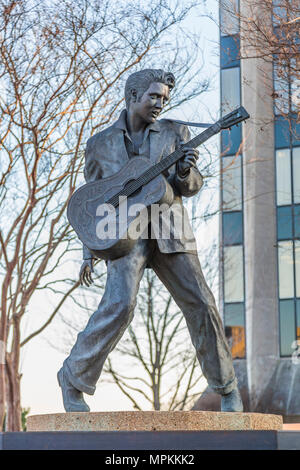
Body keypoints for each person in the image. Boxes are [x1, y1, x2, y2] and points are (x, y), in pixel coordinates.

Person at [58, 69, 243, 413]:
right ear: (132, 96)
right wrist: (89, 251)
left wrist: (186, 172)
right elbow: (92, 199)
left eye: (164, 99)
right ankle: (73, 377)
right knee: (119, 306)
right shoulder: (100, 144)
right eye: (153, 97)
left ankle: (227, 387)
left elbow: (190, 186)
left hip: (170, 229)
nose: (160, 103)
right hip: (124, 235)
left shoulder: (175, 132)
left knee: (201, 303)